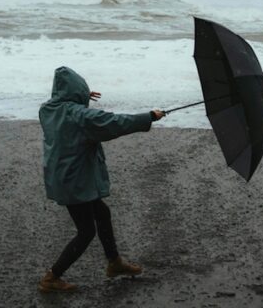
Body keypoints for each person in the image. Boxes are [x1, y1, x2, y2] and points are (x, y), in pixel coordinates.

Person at [37, 66, 166, 293]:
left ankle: (114, 263)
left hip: (63, 176)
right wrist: (149, 117)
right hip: (75, 182)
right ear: (76, 92)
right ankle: (52, 277)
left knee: (102, 213)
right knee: (86, 231)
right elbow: (115, 123)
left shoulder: (47, 110)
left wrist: (80, 97)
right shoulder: (80, 116)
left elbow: (69, 110)